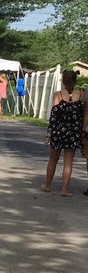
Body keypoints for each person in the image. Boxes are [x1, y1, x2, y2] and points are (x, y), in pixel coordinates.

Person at [41, 69, 84, 197]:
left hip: (58, 131)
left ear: (63, 81)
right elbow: (83, 115)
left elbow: (54, 116)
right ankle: (65, 189)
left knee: (53, 159)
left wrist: (49, 132)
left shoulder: (58, 95)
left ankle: (47, 185)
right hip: (73, 132)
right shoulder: (81, 95)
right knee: (68, 162)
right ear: (75, 81)